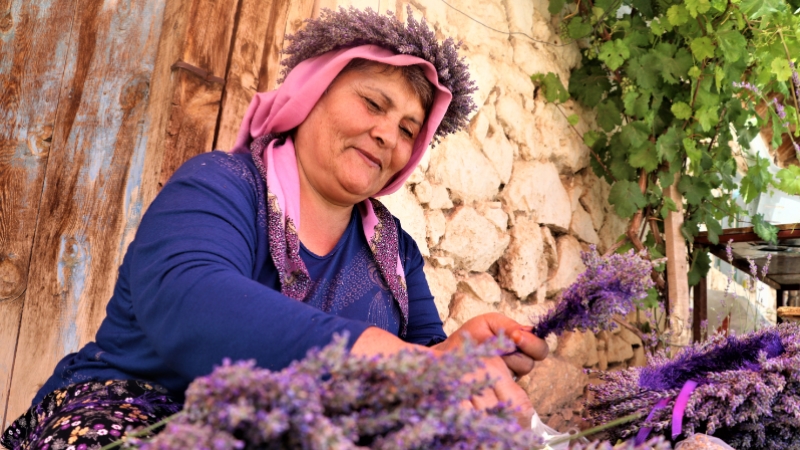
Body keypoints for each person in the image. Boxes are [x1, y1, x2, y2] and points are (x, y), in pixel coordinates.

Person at [2, 8, 547, 450]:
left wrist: (460, 353)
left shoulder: (394, 250)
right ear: (309, 96)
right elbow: (191, 301)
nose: (387, 135)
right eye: (372, 103)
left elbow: (424, 358)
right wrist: (376, 351)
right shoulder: (221, 184)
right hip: (136, 411)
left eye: (408, 129)